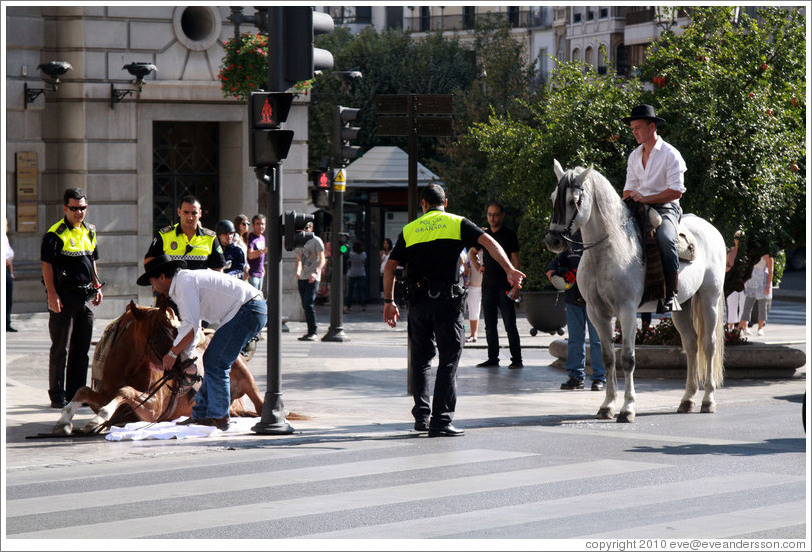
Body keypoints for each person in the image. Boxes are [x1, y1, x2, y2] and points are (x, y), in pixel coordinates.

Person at [382, 184, 525, 437]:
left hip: (417, 304)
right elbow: (489, 243)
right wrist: (509, 270)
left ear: (423, 204)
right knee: (449, 359)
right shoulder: (457, 223)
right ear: (445, 202)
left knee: (421, 359)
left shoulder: (409, 230)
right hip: (446, 304)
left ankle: (422, 416)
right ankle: (441, 421)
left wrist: (389, 301)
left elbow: (390, 267)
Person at [137, 255, 266, 430]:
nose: (154, 288)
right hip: (249, 309)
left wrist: (173, 353)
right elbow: (193, 326)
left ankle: (218, 415)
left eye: (153, 282)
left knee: (216, 362)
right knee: (213, 360)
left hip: (249, 309)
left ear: (162, 277)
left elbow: (190, 328)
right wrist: (184, 355)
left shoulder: (184, 283)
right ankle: (202, 414)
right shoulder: (183, 283)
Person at [41, 188, 104, 408]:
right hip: (64, 296)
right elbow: (46, 265)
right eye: (75, 208)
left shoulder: (90, 231)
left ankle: (76, 393)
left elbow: (91, 259)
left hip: (85, 296)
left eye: (83, 208)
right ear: (65, 208)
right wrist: (52, 294)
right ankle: (57, 394)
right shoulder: (55, 233)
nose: (79, 212)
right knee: (61, 348)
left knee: (82, 349)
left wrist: (97, 285)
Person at [622, 104, 687, 313]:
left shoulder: (671, 154)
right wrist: (635, 199)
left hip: (666, 207)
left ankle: (672, 294)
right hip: (639, 205)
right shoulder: (633, 156)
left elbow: (676, 192)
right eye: (632, 128)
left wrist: (647, 197)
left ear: (652, 127)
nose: (634, 132)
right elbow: (627, 191)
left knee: (666, 239)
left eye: (638, 127)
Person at [545, 231, 606, 391]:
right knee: (575, 340)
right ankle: (575, 377)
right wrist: (552, 271)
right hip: (574, 298)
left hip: (595, 299)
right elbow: (559, 260)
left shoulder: (597, 235)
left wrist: (578, 272)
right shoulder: (570, 239)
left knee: (597, 341)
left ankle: (599, 378)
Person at [470, 201, 523, 369]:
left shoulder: (509, 235)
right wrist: (478, 266)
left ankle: (517, 360)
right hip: (488, 286)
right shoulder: (484, 235)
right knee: (489, 325)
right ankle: (493, 358)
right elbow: (472, 253)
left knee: (510, 324)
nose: (492, 218)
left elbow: (515, 261)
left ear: (502, 215)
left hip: (505, 285)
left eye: (495, 214)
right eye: (489, 214)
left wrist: (516, 286)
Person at [144, 194, 226, 271]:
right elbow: (148, 262)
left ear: (200, 213)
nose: (190, 217)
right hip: (173, 286)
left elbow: (218, 269)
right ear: (179, 212)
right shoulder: (164, 235)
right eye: (186, 212)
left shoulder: (210, 238)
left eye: (194, 213)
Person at [295, 221, 326, 341]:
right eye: (302, 228)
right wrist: (297, 271)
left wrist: (316, 272)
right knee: (305, 305)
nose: (305, 230)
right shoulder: (298, 242)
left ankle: (313, 332)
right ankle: (310, 332)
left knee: (309, 303)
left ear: (311, 228)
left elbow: (322, 259)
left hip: (312, 277)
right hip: (302, 277)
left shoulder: (316, 240)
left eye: (307, 227)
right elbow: (298, 260)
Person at [737, 253, 773, 336]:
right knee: (747, 306)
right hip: (751, 282)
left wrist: (768, 285)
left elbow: (771, 271)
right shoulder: (753, 254)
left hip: (762, 283)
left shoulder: (768, 257)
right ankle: (740, 327)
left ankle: (760, 328)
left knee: (762, 307)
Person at [725, 231, 746, 331]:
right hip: (732, 280)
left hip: (744, 281)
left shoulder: (746, 252)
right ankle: (731, 325)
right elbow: (726, 265)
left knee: (744, 303)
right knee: (731, 302)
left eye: (740, 238)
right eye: (736, 238)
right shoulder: (730, 251)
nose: (738, 240)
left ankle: (743, 326)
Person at [464, 247, 484, 343]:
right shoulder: (472, 250)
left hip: (488, 283)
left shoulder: (491, 247)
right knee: (473, 309)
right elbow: (466, 264)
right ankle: (473, 334)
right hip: (473, 283)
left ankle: (474, 334)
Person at [246, 214, 268, 292]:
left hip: (260, 274)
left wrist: (263, 269)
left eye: (263, 224)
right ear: (253, 225)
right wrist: (262, 251)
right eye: (258, 224)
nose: (261, 226)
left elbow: (261, 257)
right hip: (252, 275)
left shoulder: (262, 238)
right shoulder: (250, 237)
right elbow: (250, 255)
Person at [345, 240, 367, 313]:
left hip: (353, 273)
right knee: (362, 290)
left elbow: (349, 261)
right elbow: (364, 262)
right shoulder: (363, 254)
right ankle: (363, 306)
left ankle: (348, 306)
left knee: (350, 291)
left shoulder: (351, 254)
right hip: (361, 272)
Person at [5, 218, 16, 332]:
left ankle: (7, 322)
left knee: (8, 298)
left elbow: (10, 256)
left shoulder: (5, 238)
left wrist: (11, 273)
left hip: (7, 270)